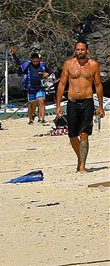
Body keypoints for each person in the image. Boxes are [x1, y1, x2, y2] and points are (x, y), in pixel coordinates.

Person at [56, 41, 104, 173]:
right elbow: (62, 84)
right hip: (72, 102)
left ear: (87, 51)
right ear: (75, 50)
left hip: (87, 102)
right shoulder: (69, 64)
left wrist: (100, 106)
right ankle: (80, 158)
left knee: (84, 134)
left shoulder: (93, 65)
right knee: (72, 135)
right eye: (77, 50)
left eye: (82, 50)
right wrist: (58, 105)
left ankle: (82, 166)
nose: (80, 52)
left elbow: (98, 85)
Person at [11, 48, 50, 125]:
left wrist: (47, 74)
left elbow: (49, 71)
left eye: (37, 61)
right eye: (34, 61)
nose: (35, 63)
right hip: (31, 88)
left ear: (39, 60)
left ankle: (41, 119)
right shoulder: (27, 64)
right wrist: (13, 55)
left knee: (41, 101)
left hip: (40, 87)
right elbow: (18, 63)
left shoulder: (43, 65)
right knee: (31, 104)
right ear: (31, 60)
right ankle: (31, 119)